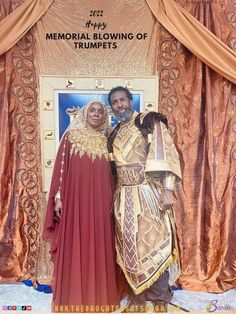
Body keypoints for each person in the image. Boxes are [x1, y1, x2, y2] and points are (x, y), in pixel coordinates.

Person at [107, 86, 182, 312]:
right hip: (123, 197)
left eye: (122, 100)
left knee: (155, 241)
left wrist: (167, 189)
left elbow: (165, 154)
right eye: (115, 102)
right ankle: (136, 297)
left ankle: (160, 296)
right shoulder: (113, 133)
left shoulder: (149, 122)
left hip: (148, 193)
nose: (119, 105)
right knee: (129, 245)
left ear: (131, 101)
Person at [43, 101, 120, 312]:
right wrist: (59, 197)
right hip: (76, 201)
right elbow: (60, 168)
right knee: (77, 240)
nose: (96, 114)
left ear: (105, 116)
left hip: (103, 202)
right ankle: (74, 295)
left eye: (100, 111)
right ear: (85, 114)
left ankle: (99, 296)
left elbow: (115, 174)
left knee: (100, 241)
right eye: (92, 110)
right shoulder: (71, 138)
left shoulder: (108, 141)